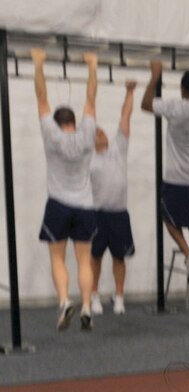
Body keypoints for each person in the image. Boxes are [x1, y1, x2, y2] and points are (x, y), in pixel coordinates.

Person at [32, 48, 99, 332]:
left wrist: (38, 64)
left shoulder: (51, 135)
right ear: (74, 121)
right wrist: (92, 67)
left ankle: (64, 301)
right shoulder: (87, 134)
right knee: (84, 259)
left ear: (58, 123)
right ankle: (86, 306)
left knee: (57, 258)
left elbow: (42, 98)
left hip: (59, 204)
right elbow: (91, 99)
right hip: (84, 205)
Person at [141, 61, 189, 282]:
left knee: (168, 219)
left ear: (183, 89)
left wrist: (155, 75)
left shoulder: (176, 107)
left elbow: (146, 104)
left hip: (177, 179)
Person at [89, 80, 138, 316]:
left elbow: (125, 118)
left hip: (119, 214)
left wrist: (129, 92)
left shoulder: (118, 148)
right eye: (97, 132)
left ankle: (119, 298)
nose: (102, 132)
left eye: (102, 130)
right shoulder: (88, 160)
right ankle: (94, 296)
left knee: (120, 258)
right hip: (98, 215)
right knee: (95, 257)